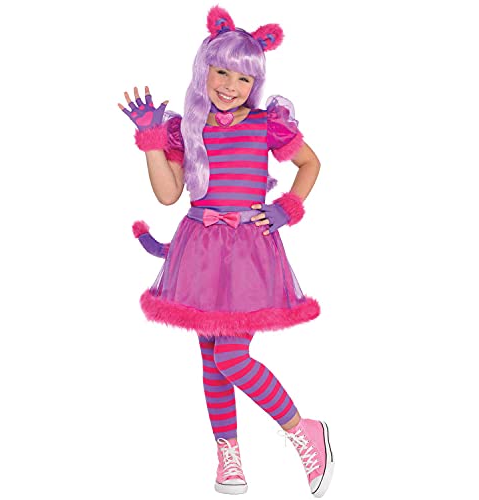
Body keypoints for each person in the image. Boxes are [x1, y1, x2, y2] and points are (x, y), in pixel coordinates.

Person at [118, 6, 334, 497]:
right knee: (211, 356)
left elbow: (311, 163)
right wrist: (152, 141)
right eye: (222, 72)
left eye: (243, 77)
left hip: (249, 251)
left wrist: (287, 208)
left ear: (255, 82)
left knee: (232, 357)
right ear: (205, 68)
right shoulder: (189, 127)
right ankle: (228, 455)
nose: (230, 86)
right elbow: (169, 194)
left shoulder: (266, 124)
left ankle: (303, 430)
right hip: (199, 249)